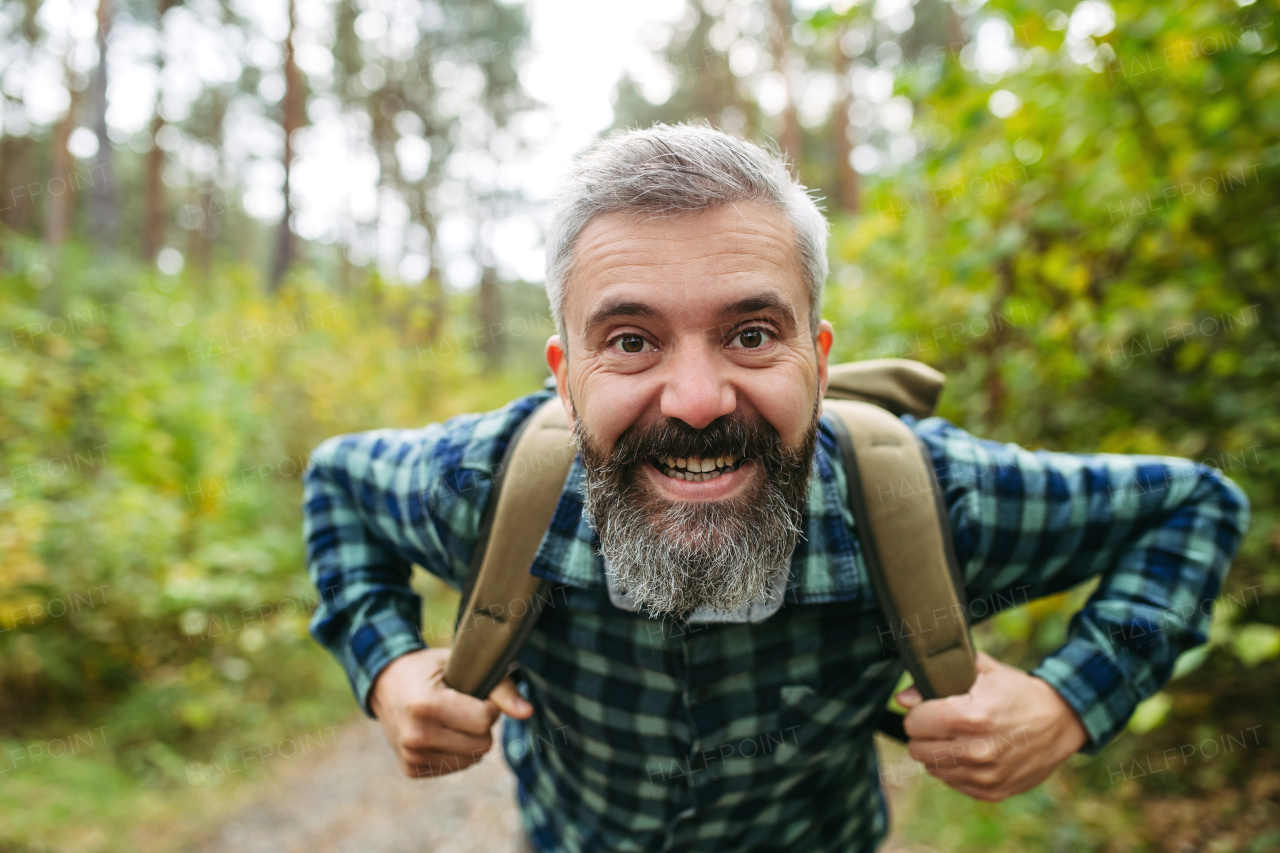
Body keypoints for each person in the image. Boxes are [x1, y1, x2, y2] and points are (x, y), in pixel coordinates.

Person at [301, 124, 1249, 852]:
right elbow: (338, 485)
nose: (701, 400)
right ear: (563, 374)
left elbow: (1193, 506)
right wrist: (385, 667)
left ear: (820, 359)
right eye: (631, 340)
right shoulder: (483, 485)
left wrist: (1068, 704)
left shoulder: (928, 499)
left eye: (752, 333)